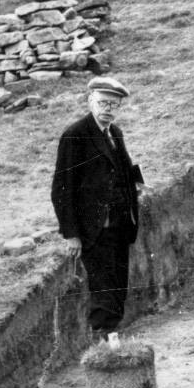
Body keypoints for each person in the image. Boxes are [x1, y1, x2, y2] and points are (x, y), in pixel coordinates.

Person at [52, 77, 141, 339]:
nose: (108, 109)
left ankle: (112, 340)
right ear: (90, 102)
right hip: (95, 228)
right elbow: (62, 188)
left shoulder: (115, 133)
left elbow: (120, 169)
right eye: (103, 103)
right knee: (103, 289)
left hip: (120, 223)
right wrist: (71, 233)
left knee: (118, 286)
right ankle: (103, 344)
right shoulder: (76, 134)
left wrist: (134, 184)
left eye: (114, 104)